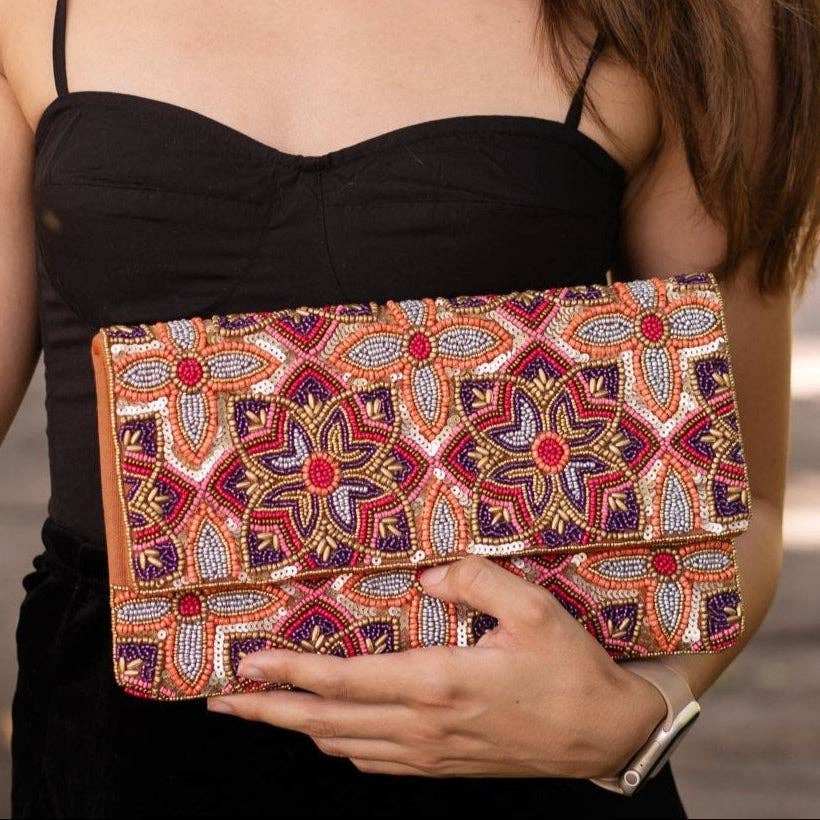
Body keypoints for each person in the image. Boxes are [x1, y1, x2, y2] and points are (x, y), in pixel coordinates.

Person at [1, 1, 817, 817]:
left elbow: (744, 501)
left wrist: (633, 718)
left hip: (525, 764)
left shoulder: (700, 16)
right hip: (117, 757)